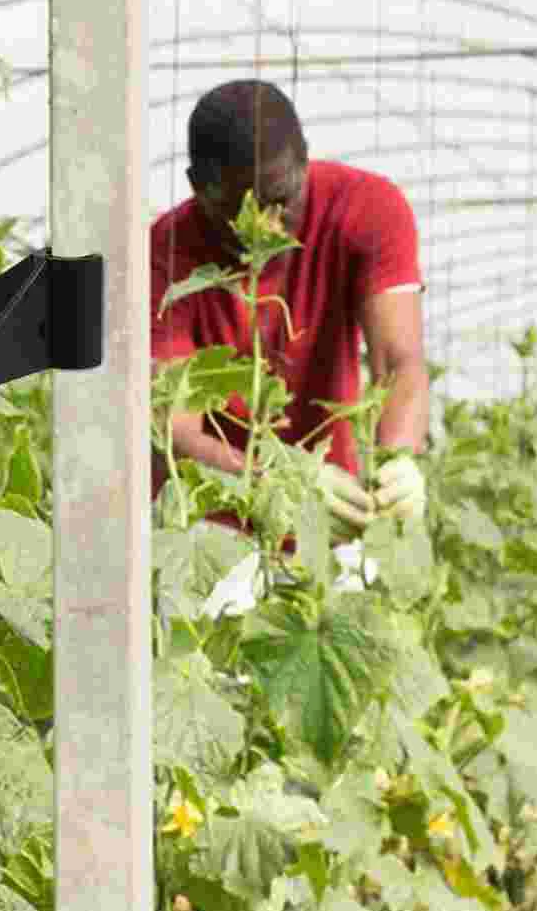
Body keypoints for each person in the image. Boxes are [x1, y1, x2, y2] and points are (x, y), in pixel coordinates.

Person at [150, 79, 430, 586]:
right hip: (207, 537)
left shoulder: (366, 209)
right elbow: (177, 428)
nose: (268, 226)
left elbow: (398, 361)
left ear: (305, 163)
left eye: (283, 199)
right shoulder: (161, 254)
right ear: (197, 186)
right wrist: (282, 482)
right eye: (239, 209)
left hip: (333, 521)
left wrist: (399, 458)